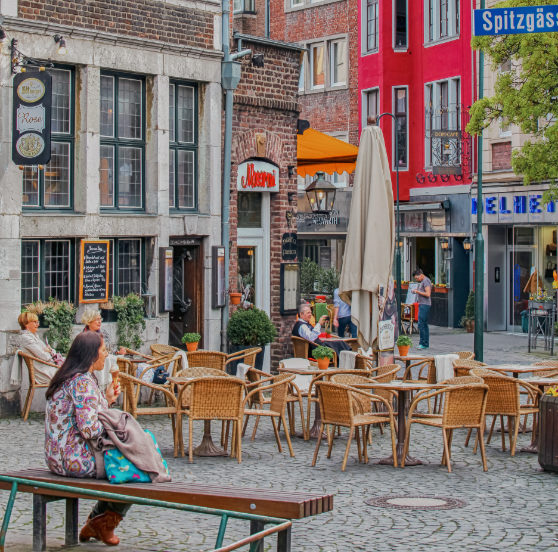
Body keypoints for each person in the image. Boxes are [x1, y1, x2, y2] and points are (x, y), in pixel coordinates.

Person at [44, 331, 129, 546]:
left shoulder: (72, 376)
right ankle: (102, 523)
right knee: (133, 468)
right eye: (103, 351)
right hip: (74, 459)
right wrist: (119, 429)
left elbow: (84, 417)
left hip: (58, 456)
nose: (106, 355)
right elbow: (90, 429)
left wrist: (107, 401)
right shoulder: (81, 381)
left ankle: (98, 522)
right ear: (92, 355)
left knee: (129, 463)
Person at [81, 308, 126, 390]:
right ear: (89, 321)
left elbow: (111, 349)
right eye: (97, 319)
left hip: (106, 362)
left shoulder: (103, 333)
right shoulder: (83, 337)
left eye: (100, 319)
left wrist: (118, 352)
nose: (100, 321)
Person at [17, 312, 64, 383]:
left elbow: (50, 352)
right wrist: (47, 351)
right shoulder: (26, 338)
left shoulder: (34, 336)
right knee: (75, 372)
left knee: (77, 367)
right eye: (35, 322)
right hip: (44, 373)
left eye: (37, 322)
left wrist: (48, 351)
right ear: (26, 324)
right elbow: (45, 357)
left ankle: (72, 393)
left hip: (49, 367)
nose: (38, 324)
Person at [413, 268, 432, 350]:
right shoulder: (423, 281)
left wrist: (417, 292)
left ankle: (423, 343)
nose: (417, 280)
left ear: (420, 275)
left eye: (417, 278)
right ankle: (425, 343)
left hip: (425, 304)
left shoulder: (426, 281)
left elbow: (428, 294)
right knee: (424, 324)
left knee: (421, 324)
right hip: (423, 304)